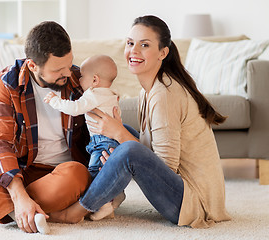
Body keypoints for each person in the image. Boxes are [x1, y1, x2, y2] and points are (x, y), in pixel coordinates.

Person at [47, 15, 232, 228]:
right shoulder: (150, 89)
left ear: (163, 52)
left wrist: (120, 138)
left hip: (194, 202)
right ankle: (106, 194)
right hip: (180, 189)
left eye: (144, 45)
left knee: (126, 146)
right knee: (117, 135)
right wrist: (117, 141)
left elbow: (166, 167)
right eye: (130, 43)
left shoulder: (165, 94)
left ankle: (76, 211)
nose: (133, 51)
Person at [0, 21, 92, 234]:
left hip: (60, 175)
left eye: (69, 64)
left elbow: (99, 130)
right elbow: (2, 142)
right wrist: (18, 193)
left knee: (77, 175)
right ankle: (17, 211)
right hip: (20, 170)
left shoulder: (80, 80)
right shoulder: (7, 83)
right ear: (33, 65)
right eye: (58, 69)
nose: (68, 73)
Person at [43, 55, 126, 220]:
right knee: (108, 170)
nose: (78, 79)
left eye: (81, 77)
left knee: (95, 173)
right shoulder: (111, 95)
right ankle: (118, 195)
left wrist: (55, 101)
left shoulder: (94, 95)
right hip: (112, 140)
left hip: (102, 141)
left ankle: (103, 204)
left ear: (94, 80)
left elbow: (75, 108)